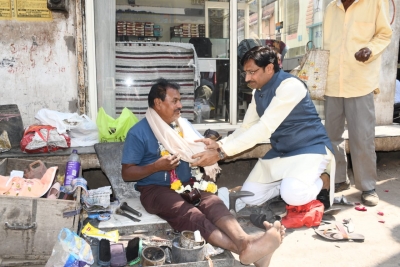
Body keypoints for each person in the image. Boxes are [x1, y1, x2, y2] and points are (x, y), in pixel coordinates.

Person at [121, 78, 284, 267]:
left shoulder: (182, 125)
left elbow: (200, 151)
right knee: (190, 214)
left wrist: (209, 148)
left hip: (188, 184)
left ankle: (246, 243)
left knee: (214, 202)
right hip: (154, 190)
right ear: (158, 103)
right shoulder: (138, 132)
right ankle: (247, 248)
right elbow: (127, 173)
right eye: (174, 101)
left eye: (179, 100)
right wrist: (155, 167)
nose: (180, 105)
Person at [192, 46, 335, 211]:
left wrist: (221, 153)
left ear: (269, 68)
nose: (247, 78)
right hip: (282, 153)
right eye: (245, 73)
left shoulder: (290, 86)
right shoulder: (258, 92)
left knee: (293, 196)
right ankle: (286, 185)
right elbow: (247, 127)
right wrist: (220, 145)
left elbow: (264, 128)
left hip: (310, 150)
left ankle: (323, 180)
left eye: (252, 72)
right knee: (250, 198)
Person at [323, 0, 392, 206]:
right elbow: (328, 44)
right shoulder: (330, 7)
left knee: (362, 136)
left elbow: (384, 34)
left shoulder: (375, 3)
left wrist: (370, 49)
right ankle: (338, 179)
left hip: (360, 81)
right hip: (332, 81)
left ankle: (368, 186)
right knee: (331, 137)